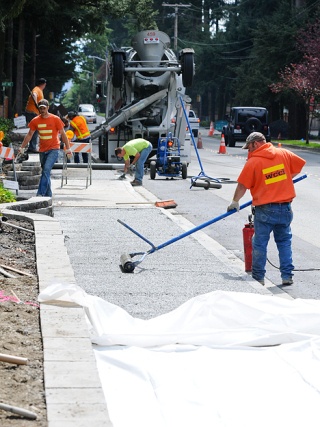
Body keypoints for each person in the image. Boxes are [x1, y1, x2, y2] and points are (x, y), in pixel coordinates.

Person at [227, 132, 306, 286]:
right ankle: (287, 276)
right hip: (285, 208)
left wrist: (235, 201)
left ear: (255, 144)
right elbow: (299, 165)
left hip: (265, 210)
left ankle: (258, 277)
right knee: (284, 242)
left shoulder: (254, 162)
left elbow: (242, 185)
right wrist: (285, 178)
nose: (249, 152)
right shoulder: (283, 154)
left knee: (259, 243)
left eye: (249, 148)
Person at [18, 99, 72, 197]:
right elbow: (29, 134)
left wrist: (68, 148)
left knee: (46, 170)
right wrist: (22, 147)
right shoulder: (35, 120)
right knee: (45, 173)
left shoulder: (55, 119)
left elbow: (63, 134)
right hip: (42, 150)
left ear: (47, 108)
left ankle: (40, 194)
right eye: (40, 108)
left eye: (44, 108)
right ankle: (48, 196)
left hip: (54, 149)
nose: (42, 110)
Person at [24, 78, 47, 153]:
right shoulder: (37, 89)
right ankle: (32, 147)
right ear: (43, 84)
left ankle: (32, 146)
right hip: (32, 112)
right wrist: (36, 103)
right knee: (35, 130)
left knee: (35, 130)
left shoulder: (39, 90)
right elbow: (34, 94)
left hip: (33, 112)